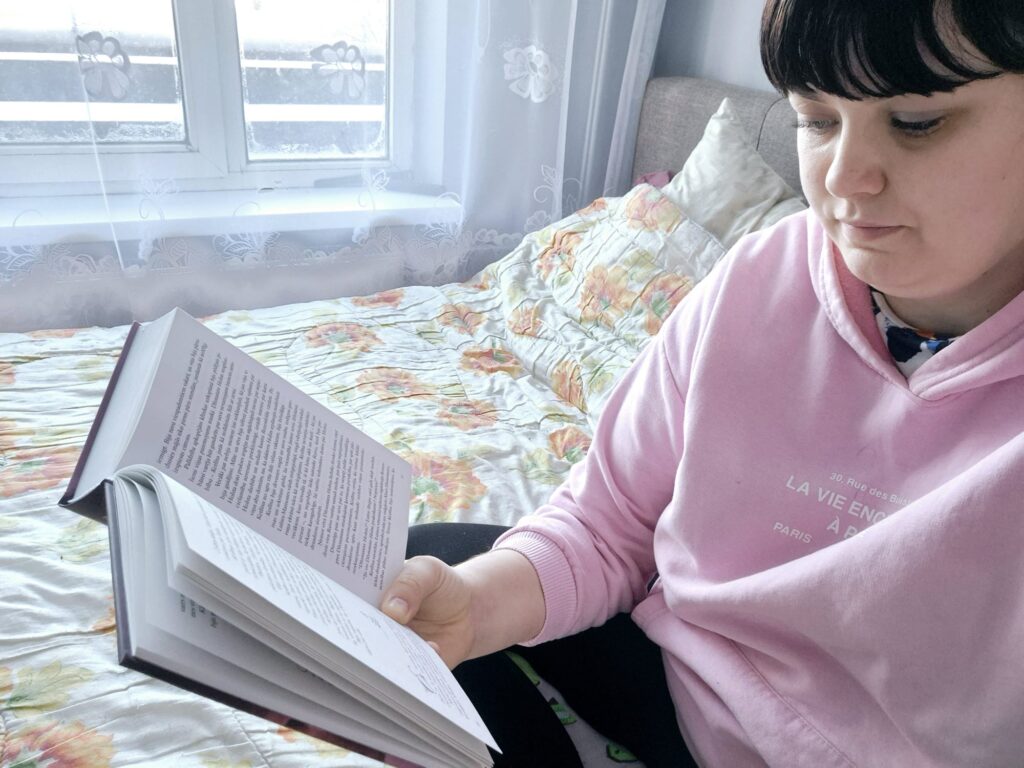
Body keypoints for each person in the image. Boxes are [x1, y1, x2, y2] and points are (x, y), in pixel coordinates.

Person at [382, 1, 1024, 765]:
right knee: (432, 579)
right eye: (817, 120)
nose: (845, 179)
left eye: (916, 122)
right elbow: (607, 525)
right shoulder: (760, 274)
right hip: (679, 687)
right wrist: (474, 611)